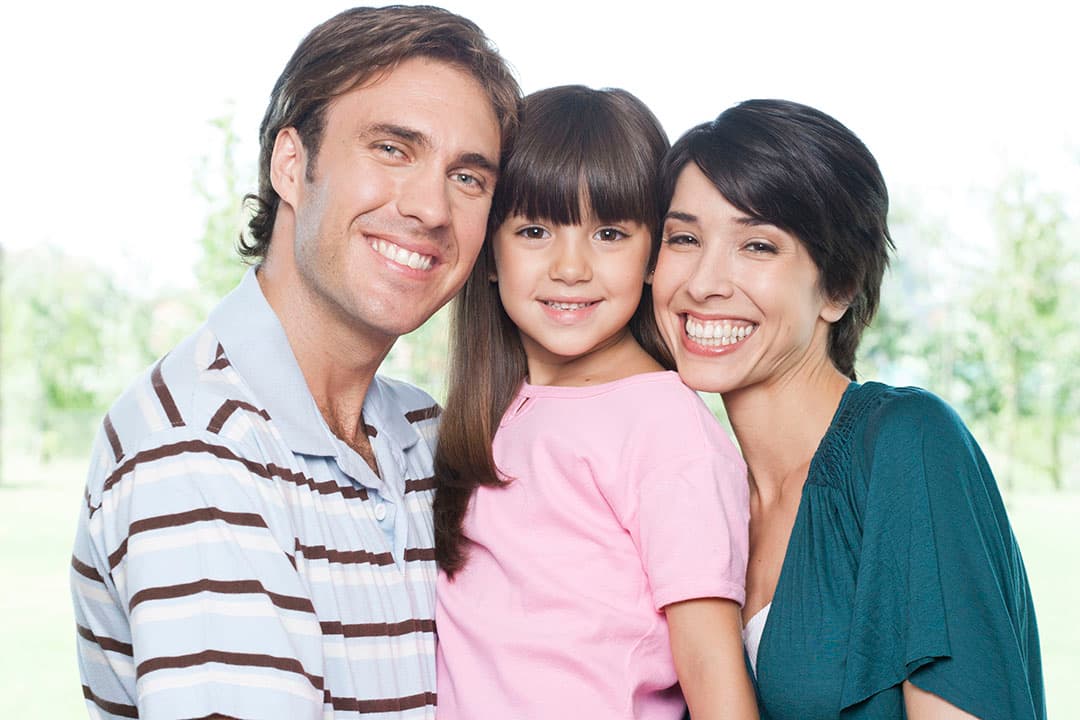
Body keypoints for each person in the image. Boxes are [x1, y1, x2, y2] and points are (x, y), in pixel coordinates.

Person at [69, 6, 520, 718]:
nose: (432, 208)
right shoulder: (195, 445)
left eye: (468, 178)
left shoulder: (428, 434)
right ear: (291, 164)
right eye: (392, 149)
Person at [651, 99, 1045, 720]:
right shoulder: (700, 491)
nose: (703, 282)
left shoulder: (907, 443)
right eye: (684, 238)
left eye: (757, 245)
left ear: (838, 287)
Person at [432, 85, 758, 720]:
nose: (571, 267)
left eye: (608, 233)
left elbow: (712, 671)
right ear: (488, 253)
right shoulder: (486, 416)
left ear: (652, 255)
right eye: (534, 230)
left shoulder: (663, 427)